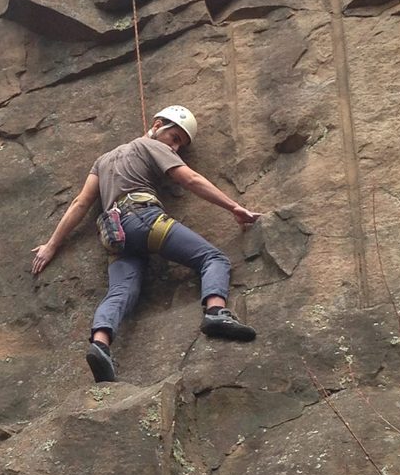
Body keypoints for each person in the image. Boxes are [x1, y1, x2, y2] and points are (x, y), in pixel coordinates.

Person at [31, 105, 260, 383]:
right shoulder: (149, 144)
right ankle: (215, 312)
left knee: (120, 291)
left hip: (114, 235)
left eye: (180, 144)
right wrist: (234, 207)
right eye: (174, 138)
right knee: (214, 259)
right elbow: (190, 178)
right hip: (143, 219)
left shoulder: (102, 160)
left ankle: (100, 344)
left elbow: (81, 203)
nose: (175, 148)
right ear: (157, 125)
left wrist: (52, 245)